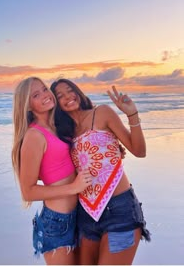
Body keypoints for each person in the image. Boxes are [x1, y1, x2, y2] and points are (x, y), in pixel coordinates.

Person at [50, 78, 151, 265]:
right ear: (56, 104)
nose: (68, 97)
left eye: (70, 90)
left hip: (119, 210)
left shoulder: (102, 112)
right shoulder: (64, 133)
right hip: (86, 212)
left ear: (77, 91)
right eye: (60, 96)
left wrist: (132, 115)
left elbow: (139, 151)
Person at [11, 77, 92, 265]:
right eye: (36, 95)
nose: (46, 95)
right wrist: (73, 188)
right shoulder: (34, 135)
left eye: (45, 89)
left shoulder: (58, 126)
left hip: (81, 213)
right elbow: (28, 192)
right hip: (57, 223)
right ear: (28, 105)